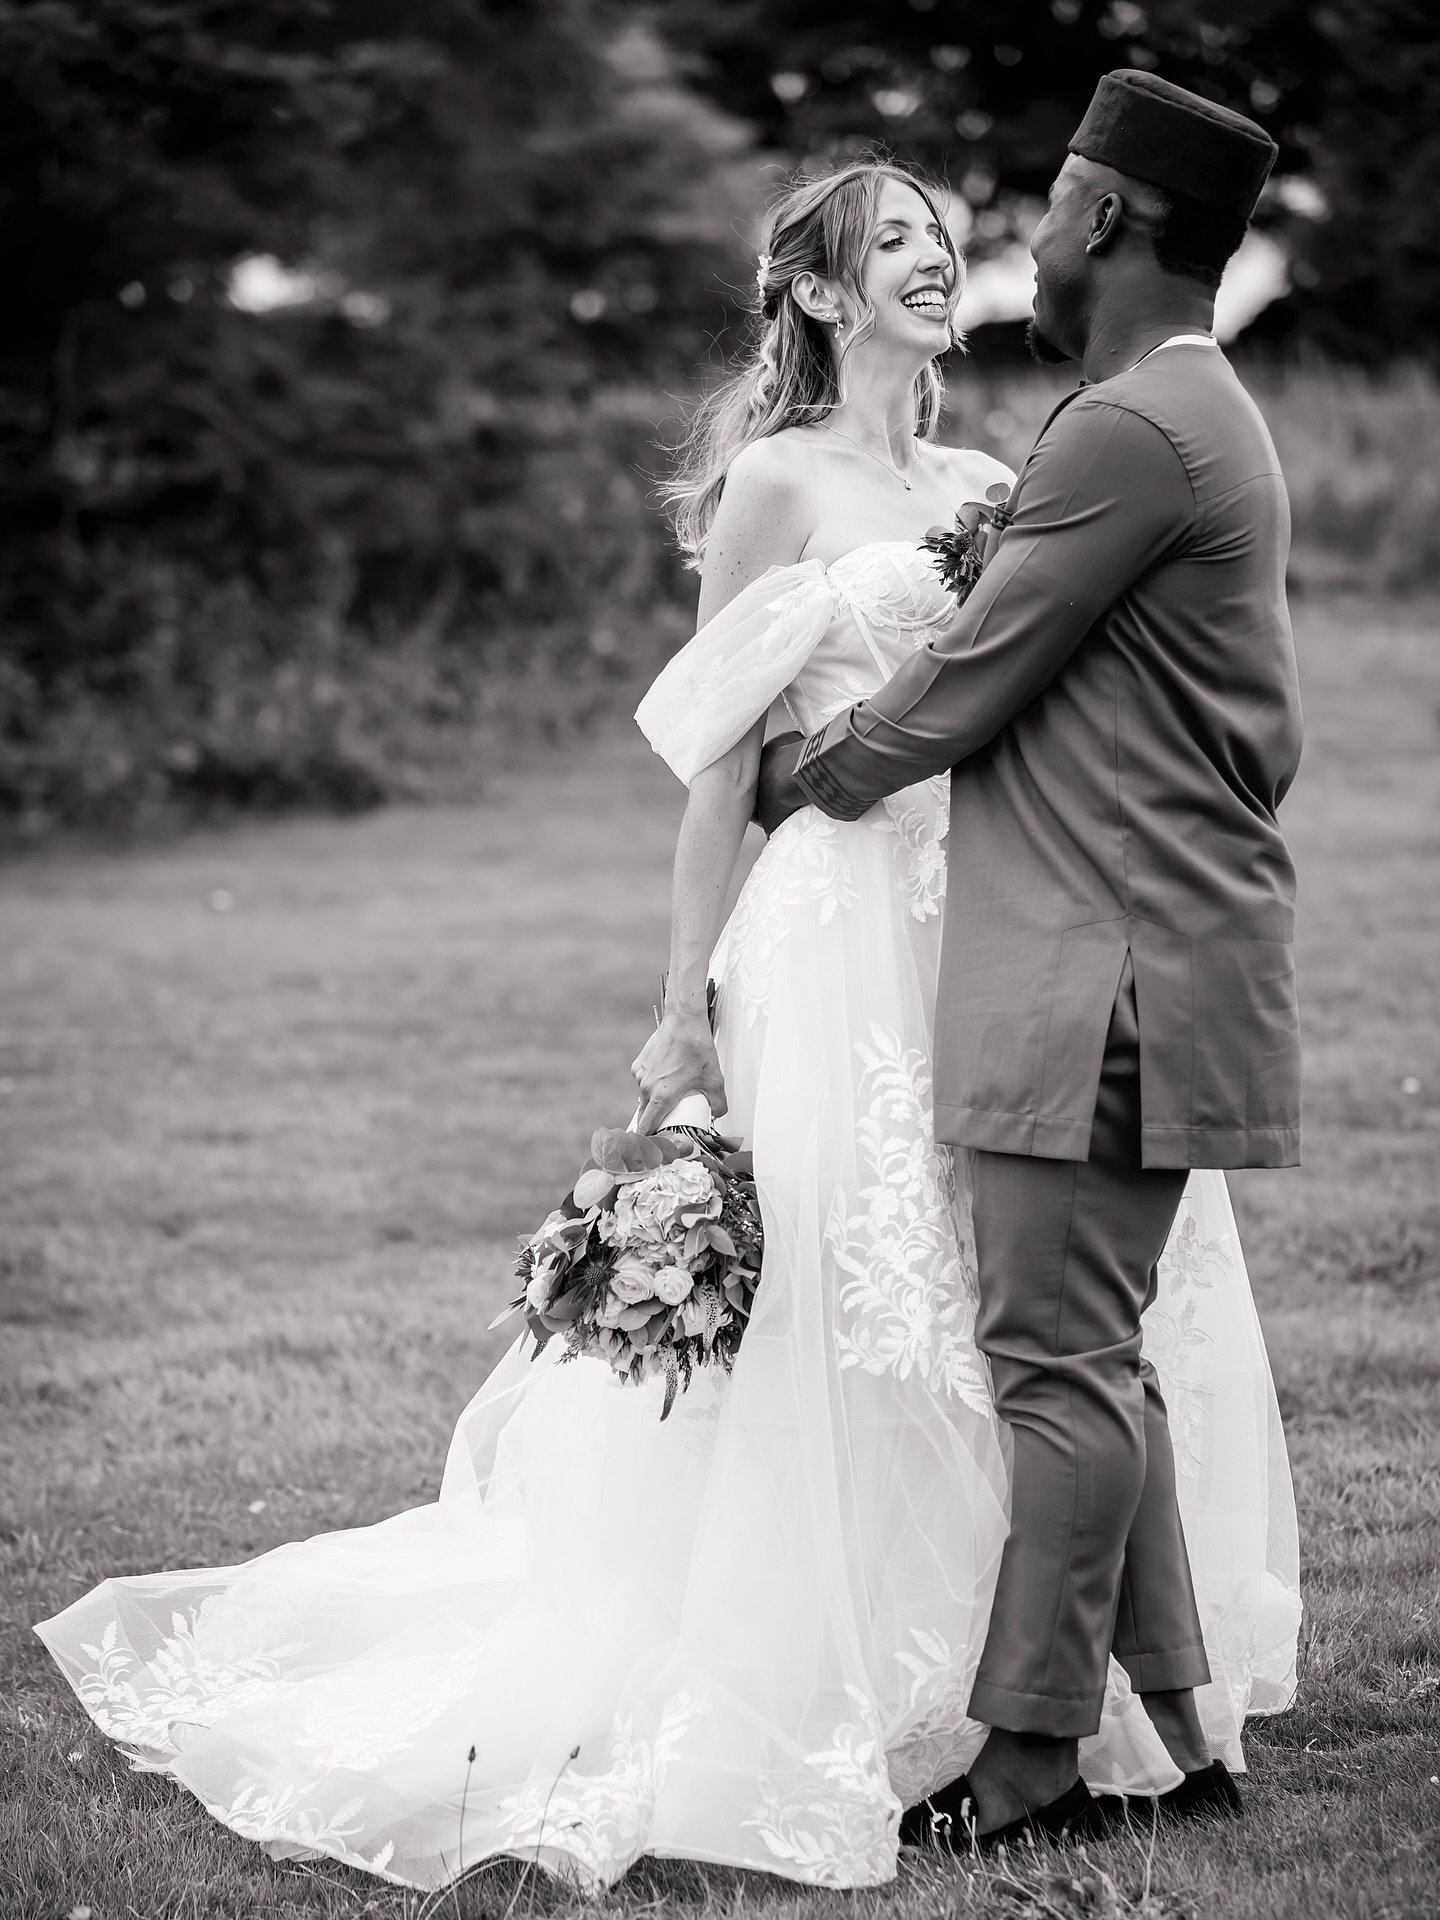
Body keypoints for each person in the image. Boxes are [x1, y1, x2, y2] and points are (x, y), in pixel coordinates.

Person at [34, 150, 1299, 1895]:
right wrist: (680, 1011)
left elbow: (1025, 697)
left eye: (945, 240)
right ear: (815, 291)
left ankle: (1071, 1709)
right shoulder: (777, 487)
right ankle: (880, 1683)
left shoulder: (1001, 474)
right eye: (894, 247)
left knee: (1036, 1327)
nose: (938, 268)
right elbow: (721, 767)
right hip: (840, 938)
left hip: (1003, 930)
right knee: (878, 1312)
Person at [755, 75, 1305, 1851]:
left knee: (1055, 1373)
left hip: (1098, 974)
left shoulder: (1129, 427)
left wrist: (801, 773)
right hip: (1152, 951)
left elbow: (971, 675)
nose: (1029, 235)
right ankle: (1184, 1725)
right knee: (1105, 1361)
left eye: (1055, 202)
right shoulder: (1189, 409)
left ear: (1110, 223)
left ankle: (1029, 1762)